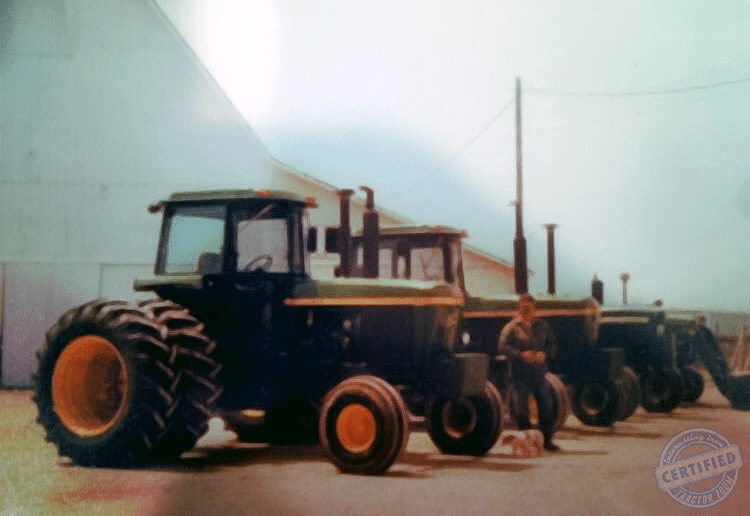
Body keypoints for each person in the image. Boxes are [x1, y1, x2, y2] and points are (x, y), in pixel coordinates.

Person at [497, 294, 560, 451]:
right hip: (520, 374)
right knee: (521, 410)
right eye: (523, 308)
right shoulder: (511, 328)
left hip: (539, 373)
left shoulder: (542, 326)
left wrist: (545, 354)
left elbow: (553, 345)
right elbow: (502, 347)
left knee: (546, 406)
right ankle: (525, 441)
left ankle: (546, 441)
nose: (526, 311)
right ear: (519, 309)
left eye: (529, 308)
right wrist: (520, 354)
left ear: (534, 309)